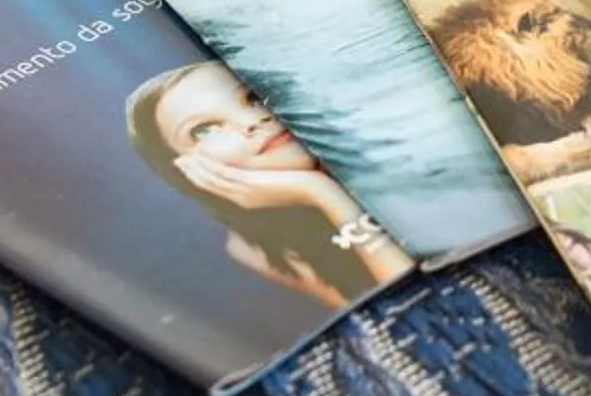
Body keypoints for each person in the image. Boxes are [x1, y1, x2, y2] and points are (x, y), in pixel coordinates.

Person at [125, 62, 413, 308]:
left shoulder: (392, 139)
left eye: (250, 97)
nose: (251, 119)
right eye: (205, 130)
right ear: (187, 170)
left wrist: (320, 191)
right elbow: (409, 303)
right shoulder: (256, 248)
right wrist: (319, 192)